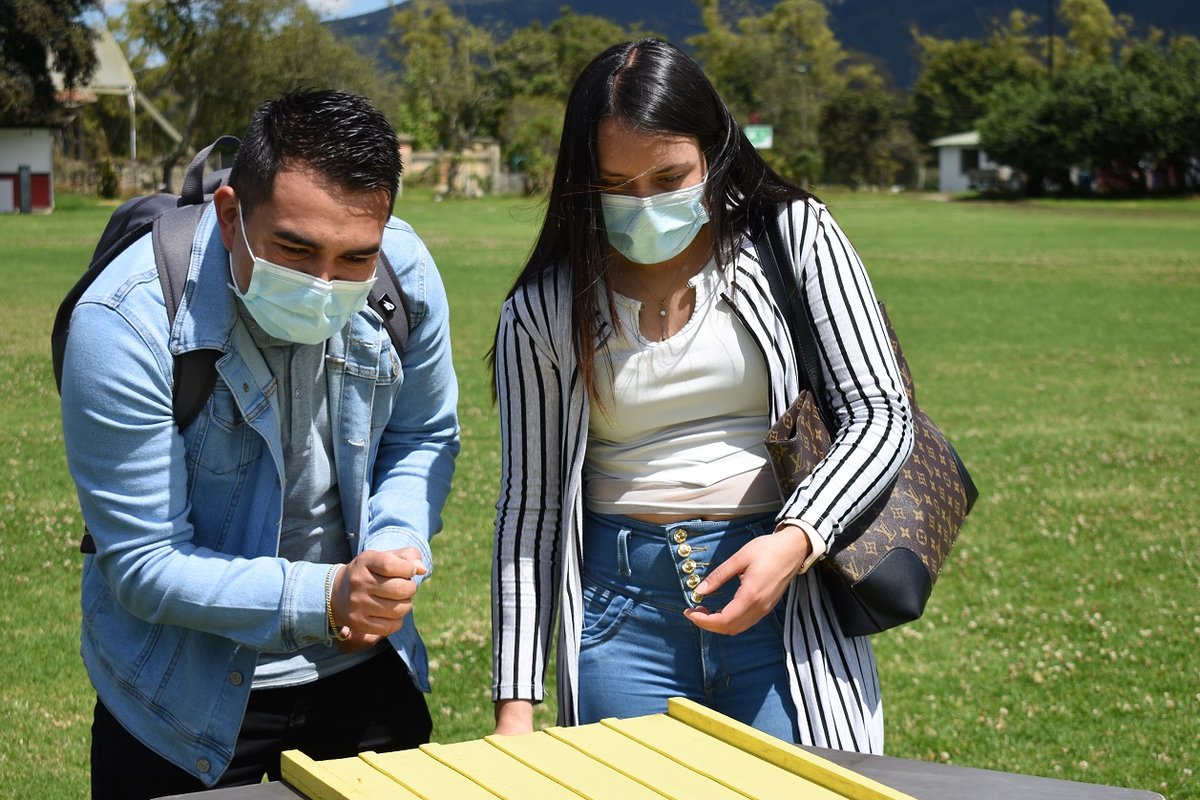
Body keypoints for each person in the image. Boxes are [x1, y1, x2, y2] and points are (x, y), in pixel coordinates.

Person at [490, 39, 912, 753]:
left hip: (786, 601)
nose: (645, 204)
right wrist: (516, 705)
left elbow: (880, 413)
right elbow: (529, 509)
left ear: (715, 151)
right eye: (616, 184)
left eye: (669, 176)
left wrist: (793, 540)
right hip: (618, 617)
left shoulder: (794, 234)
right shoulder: (542, 309)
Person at [60, 89, 459, 797]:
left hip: (364, 678)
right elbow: (145, 562)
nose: (324, 284)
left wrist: (395, 551)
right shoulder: (122, 322)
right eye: (295, 250)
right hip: (179, 710)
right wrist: (329, 595)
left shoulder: (406, 274)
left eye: (354, 256)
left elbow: (422, 433)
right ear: (227, 212)